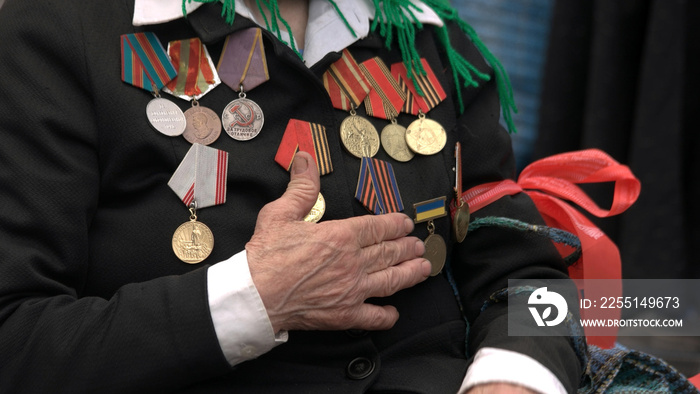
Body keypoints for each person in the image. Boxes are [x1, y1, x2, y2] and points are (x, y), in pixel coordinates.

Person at [0, 0, 582, 393]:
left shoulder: (430, 39)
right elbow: (16, 338)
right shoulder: (56, 31)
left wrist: (515, 373)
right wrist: (257, 299)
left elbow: (526, 278)